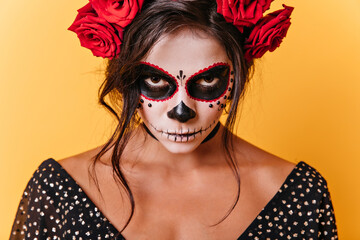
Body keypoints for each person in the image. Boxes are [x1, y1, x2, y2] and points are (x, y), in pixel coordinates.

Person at [10, 0, 338, 239]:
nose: (182, 111)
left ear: (237, 76)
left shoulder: (300, 195)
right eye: (155, 81)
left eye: (208, 81)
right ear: (125, 77)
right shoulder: (60, 190)